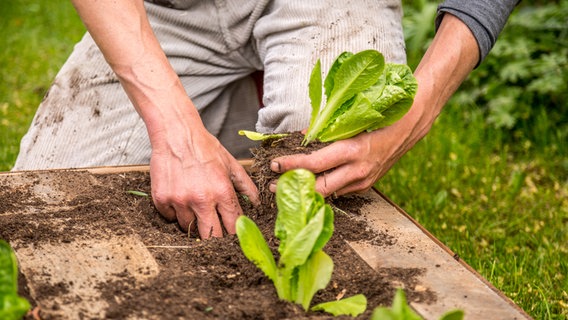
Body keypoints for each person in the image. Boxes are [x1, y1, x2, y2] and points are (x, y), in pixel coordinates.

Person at [13, 0, 519, 239]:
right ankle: (227, 110)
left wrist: (419, 109)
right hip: (167, 9)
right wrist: (177, 131)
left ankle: (264, 106)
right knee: (49, 201)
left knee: (321, 155)